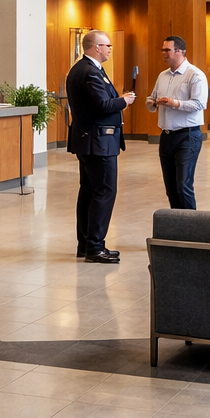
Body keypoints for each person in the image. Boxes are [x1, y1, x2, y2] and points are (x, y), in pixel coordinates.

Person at [66, 30, 134, 263]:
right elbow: (102, 105)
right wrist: (124, 101)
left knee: (89, 191)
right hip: (97, 141)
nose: (109, 50)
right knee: (104, 191)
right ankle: (95, 246)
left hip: (91, 140)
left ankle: (86, 244)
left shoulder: (87, 69)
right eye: (107, 46)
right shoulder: (88, 72)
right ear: (96, 47)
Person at [148, 35, 208, 209]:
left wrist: (174, 103)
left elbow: (199, 104)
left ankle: (192, 229)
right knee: (171, 189)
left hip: (187, 137)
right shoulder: (163, 76)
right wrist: (152, 103)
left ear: (180, 51)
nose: (163, 53)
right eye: (163, 50)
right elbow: (153, 98)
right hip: (166, 137)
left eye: (167, 50)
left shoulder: (195, 75)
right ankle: (177, 226)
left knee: (183, 187)